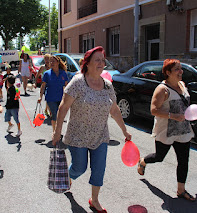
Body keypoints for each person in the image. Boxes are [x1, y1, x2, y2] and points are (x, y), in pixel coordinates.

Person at [52, 46, 131, 213]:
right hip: (77, 135)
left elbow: (114, 109)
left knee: (99, 168)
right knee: (79, 168)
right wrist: (57, 131)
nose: (101, 63)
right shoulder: (78, 82)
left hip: (100, 135)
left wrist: (124, 131)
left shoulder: (108, 85)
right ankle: (68, 176)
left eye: (103, 60)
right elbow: (63, 107)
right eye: (97, 60)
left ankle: (94, 200)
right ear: (87, 63)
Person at [137, 59, 196, 202]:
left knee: (183, 161)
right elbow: (153, 110)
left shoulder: (182, 85)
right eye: (177, 69)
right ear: (168, 73)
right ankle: (143, 161)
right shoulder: (162, 89)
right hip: (166, 130)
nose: (181, 71)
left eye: (181, 69)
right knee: (159, 157)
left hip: (183, 130)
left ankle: (181, 190)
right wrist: (174, 116)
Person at [38, 55, 68, 132]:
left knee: (60, 116)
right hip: (50, 98)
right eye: (50, 61)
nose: (51, 63)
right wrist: (40, 96)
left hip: (61, 98)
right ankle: (55, 132)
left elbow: (67, 86)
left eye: (53, 61)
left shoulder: (63, 73)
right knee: (54, 115)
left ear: (58, 62)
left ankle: (58, 130)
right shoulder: (47, 74)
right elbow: (43, 85)